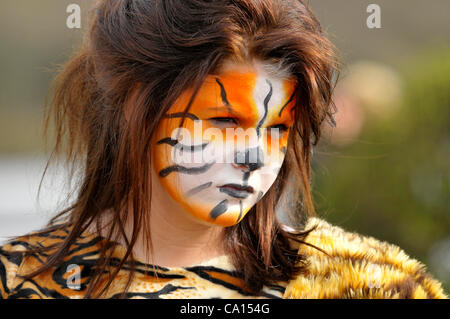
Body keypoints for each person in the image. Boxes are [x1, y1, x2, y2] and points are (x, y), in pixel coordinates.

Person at [0, 0, 447, 299]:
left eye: (276, 129)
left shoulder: (374, 286)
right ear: (137, 103)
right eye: (225, 120)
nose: (254, 155)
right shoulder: (20, 284)